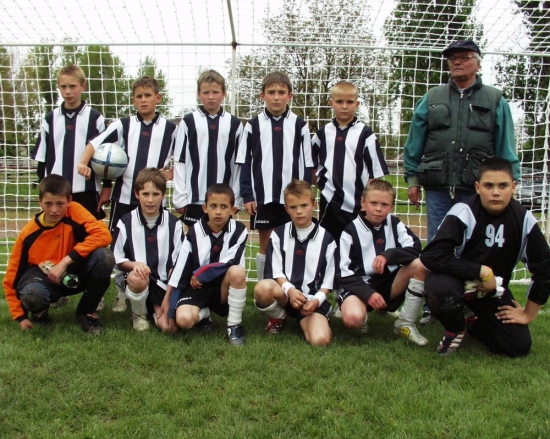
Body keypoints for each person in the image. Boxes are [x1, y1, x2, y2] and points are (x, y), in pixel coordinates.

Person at [402, 40, 520, 324]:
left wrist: (509, 182)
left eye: (464, 57)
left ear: (477, 63)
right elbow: (415, 141)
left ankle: (471, 303)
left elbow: (505, 146)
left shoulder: (495, 99)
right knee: (437, 247)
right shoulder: (431, 97)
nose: (457, 61)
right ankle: (435, 303)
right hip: (438, 188)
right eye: (452, 58)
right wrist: (412, 179)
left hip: (475, 189)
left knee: (473, 247)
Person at [421, 157, 550, 358]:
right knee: (439, 290)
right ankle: (455, 328)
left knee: (517, 346)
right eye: (489, 185)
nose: (496, 192)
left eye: (503, 186)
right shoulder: (463, 212)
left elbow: (545, 268)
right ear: (478, 187)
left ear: (513, 187)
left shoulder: (524, 219)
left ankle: (472, 322)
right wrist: (481, 271)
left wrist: (527, 314)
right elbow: (432, 255)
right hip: (456, 283)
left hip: (491, 291)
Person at [77, 75, 177, 312]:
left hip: (153, 199)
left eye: (148, 95)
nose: (143, 100)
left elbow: (183, 159)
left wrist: (170, 174)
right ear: (133, 100)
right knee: (116, 247)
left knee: (154, 245)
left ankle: (151, 287)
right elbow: (95, 143)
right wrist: (83, 162)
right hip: (124, 197)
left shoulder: (171, 129)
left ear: (158, 98)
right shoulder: (123, 124)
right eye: (139, 96)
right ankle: (121, 291)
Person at [2, 174, 115, 334]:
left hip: (73, 272)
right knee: (32, 293)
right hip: (44, 277)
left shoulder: (74, 211)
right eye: (48, 204)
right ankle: (39, 312)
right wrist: (20, 316)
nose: (54, 210)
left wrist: (65, 262)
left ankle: (86, 312)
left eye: (60, 204)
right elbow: (11, 278)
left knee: (104, 257)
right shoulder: (28, 234)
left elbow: (104, 235)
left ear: (69, 200)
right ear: (40, 202)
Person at [236, 71, 313, 281]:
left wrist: (305, 195)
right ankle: (264, 290)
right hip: (264, 197)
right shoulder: (253, 125)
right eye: (271, 92)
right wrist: (248, 195)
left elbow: (307, 163)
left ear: (290, 96)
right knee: (266, 245)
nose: (276, 97)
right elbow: (245, 161)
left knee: (293, 244)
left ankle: (293, 287)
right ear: (263, 96)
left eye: (281, 92)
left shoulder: (299, 125)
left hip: (293, 199)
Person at [338, 179, 429, 346]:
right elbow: (343, 273)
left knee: (420, 265)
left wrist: (388, 256)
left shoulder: (395, 224)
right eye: (373, 203)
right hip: (360, 285)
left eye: (384, 204)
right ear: (363, 203)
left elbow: (416, 248)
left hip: (389, 283)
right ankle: (359, 311)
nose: (378, 208)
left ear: (392, 206)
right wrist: (368, 294)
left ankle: (405, 323)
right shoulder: (350, 231)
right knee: (353, 319)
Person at [162, 183, 248, 345]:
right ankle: (204, 313)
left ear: (232, 209)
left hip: (223, 289)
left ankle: (234, 326)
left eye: (224, 207)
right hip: (197, 287)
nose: (218, 211)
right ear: (205, 208)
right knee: (183, 321)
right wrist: (171, 309)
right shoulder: (194, 232)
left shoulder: (239, 231)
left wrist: (201, 273)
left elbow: (230, 261)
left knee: (237, 271)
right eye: (213, 206)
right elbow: (180, 270)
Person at [253, 179, 336, 346]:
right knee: (262, 288)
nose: (299, 211)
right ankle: (278, 315)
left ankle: (311, 320)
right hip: (285, 295)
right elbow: (275, 271)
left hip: (311, 299)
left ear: (314, 205)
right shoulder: (278, 234)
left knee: (320, 340)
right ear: (286, 209)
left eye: (304, 205)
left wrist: (316, 301)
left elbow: (328, 281)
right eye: (293, 207)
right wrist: (290, 290)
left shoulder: (327, 239)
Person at [312, 81, 389, 243]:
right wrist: (322, 186)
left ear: (357, 104)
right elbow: (310, 164)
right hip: (330, 203)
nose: (344, 106)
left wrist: (367, 201)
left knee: (356, 245)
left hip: (357, 204)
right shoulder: (323, 133)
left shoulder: (365, 134)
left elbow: (375, 174)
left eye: (350, 102)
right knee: (328, 245)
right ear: (331, 103)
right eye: (339, 101)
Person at [111, 168, 184, 332]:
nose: (150, 200)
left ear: (163, 195)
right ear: (137, 194)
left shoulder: (174, 224)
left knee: (169, 328)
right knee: (138, 277)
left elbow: (177, 264)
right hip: (137, 280)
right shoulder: (125, 222)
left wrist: (168, 296)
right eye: (145, 194)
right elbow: (117, 259)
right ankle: (139, 314)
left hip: (163, 284)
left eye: (155, 194)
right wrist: (134, 265)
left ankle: (154, 309)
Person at [33, 64, 106, 220]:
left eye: (72, 86)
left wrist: (106, 186)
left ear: (83, 86)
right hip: (56, 194)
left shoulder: (95, 118)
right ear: (58, 87)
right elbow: (42, 159)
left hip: (86, 191)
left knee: (87, 234)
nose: (67, 91)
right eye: (63, 86)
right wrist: (43, 187)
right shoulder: (50, 119)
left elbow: (106, 158)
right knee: (56, 234)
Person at [173, 69, 243, 227]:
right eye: (206, 92)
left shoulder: (234, 124)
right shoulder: (188, 121)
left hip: (224, 199)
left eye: (215, 92)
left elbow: (239, 164)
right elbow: (179, 160)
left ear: (224, 94)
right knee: (194, 239)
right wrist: (180, 196)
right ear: (199, 94)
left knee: (221, 239)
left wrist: (237, 197)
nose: (211, 97)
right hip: (195, 197)